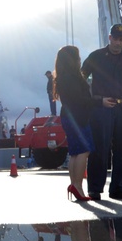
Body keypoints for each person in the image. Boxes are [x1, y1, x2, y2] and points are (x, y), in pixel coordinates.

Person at [81, 23, 122, 200]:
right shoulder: (96, 56)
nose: (118, 42)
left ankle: (118, 188)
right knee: (100, 148)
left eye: (121, 39)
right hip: (102, 108)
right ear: (109, 38)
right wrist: (95, 100)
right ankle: (94, 188)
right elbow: (80, 79)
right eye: (115, 38)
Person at [53, 45, 95, 202]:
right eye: (77, 57)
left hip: (69, 117)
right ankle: (77, 186)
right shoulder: (72, 77)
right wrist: (96, 101)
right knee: (84, 151)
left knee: (75, 152)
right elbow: (80, 99)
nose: (79, 59)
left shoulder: (62, 77)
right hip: (78, 117)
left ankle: (74, 185)